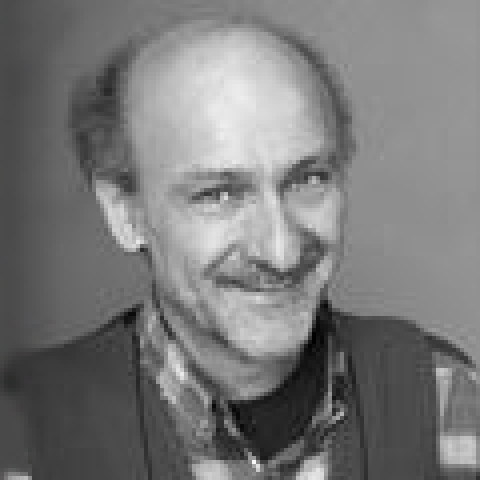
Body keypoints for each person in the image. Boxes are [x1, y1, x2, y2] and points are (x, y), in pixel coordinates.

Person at [10, 14, 479, 480]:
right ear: (125, 213)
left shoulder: (444, 398)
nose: (281, 251)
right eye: (219, 194)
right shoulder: (24, 433)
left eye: (309, 179)